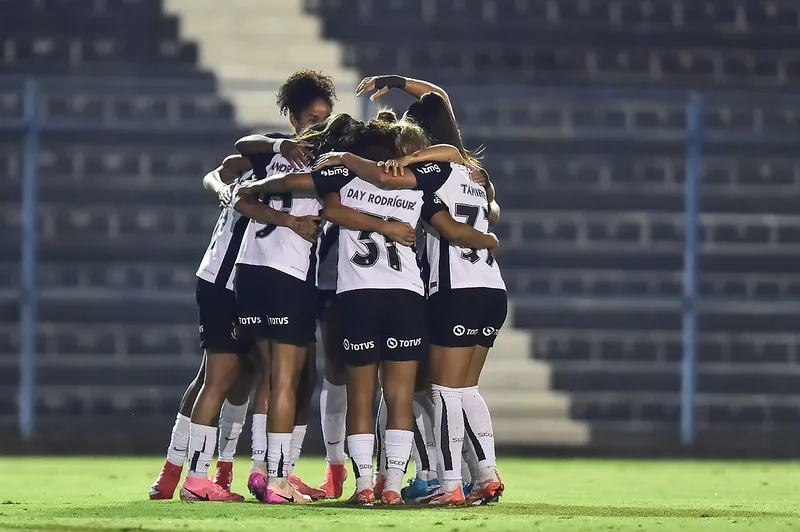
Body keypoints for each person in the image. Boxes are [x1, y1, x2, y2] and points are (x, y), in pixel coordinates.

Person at [231, 70, 343, 504]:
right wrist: (293, 221)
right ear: (294, 118)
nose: (320, 128)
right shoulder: (322, 164)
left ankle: (260, 471)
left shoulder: (266, 154)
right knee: (287, 381)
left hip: (249, 273)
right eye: (313, 119)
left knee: (270, 375)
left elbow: (241, 187)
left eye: (325, 120)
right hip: (287, 275)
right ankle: (278, 482)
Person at [149, 156, 262, 501]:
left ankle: (192, 472)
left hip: (232, 281)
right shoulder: (266, 170)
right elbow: (218, 173)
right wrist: (221, 186)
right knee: (220, 376)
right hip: (225, 283)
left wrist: (219, 185)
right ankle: (192, 475)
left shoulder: (265, 170)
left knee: (235, 374)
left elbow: (215, 175)